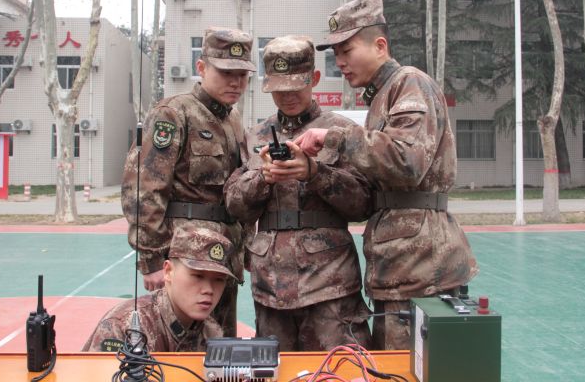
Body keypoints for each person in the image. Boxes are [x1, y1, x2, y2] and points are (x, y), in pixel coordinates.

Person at [294, 0, 479, 350]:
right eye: (336, 54)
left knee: (415, 368)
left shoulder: (409, 83)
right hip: (400, 267)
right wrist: (315, 171)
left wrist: (336, 136)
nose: (340, 62)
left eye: (347, 50)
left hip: (421, 270)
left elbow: (407, 162)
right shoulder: (382, 96)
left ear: (380, 46)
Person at [224, 35, 373, 352]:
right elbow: (235, 205)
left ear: (314, 78)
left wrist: (315, 173)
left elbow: (363, 203)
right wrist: (263, 178)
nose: (288, 96)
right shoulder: (255, 136)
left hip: (329, 283)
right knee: (274, 369)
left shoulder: (339, 131)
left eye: (296, 86)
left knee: (340, 368)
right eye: (279, 89)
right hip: (271, 286)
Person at [121, 26, 254, 337]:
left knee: (220, 344)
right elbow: (143, 188)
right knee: (178, 344)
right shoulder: (173, 114)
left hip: (223, 258)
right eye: (226, 72)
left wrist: (246, 249)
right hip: (185, 260)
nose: (235, 82)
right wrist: (152, 259)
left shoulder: (233, 121)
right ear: (202, 67)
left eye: (242, 74)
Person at [82, 227, 235, 352]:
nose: (208, 289)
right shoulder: (125, 327)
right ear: (168, 271)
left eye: (219, 279)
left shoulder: (211, 331)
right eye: (198, 276)